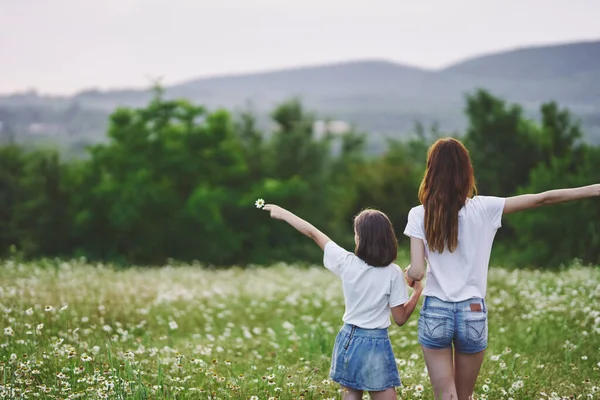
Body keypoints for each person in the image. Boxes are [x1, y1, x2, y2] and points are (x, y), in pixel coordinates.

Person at [403, 137, 600, 400]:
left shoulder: (418, 214)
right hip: (472, 311)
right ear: (466, 171)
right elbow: (542, 199)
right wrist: (594, 189)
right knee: (464, 396)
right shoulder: (485, 208)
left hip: (436, 309)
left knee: (445, 396)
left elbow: (417, 271)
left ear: (431, 171)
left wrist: (408, 274)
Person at [263, 204, 423, 400]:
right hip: (376, 342)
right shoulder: (393, 273)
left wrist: (283, 213)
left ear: (361, 239)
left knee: (351, 395)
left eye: (356, 233)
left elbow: (314, 233)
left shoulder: (346, 262)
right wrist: (417, 292)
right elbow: (400, 318)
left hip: (349, 338)